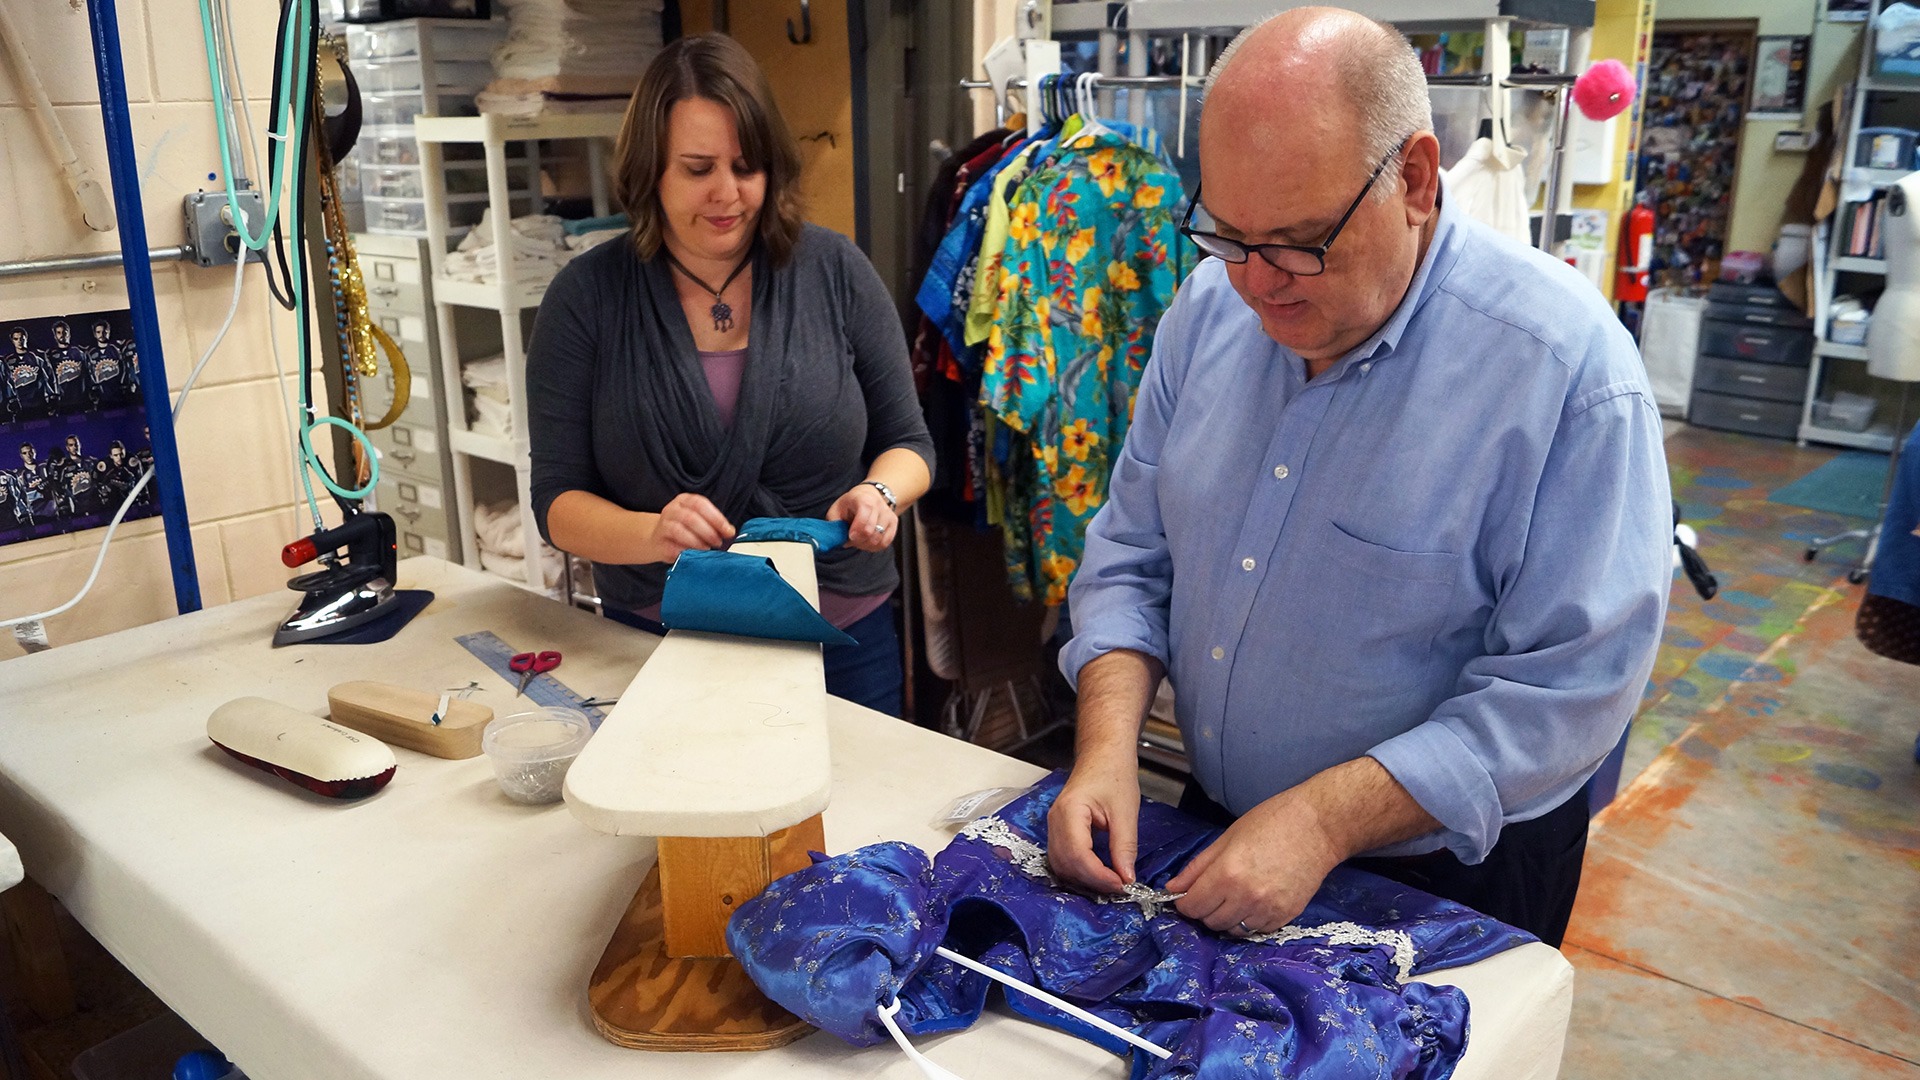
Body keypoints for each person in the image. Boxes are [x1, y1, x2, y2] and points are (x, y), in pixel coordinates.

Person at [1046, 8, 1672, 948]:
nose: (1257, 283)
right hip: (1226, 827)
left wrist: (1326, 819)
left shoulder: (1567, 373)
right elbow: (1132, 552)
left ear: (1415, 180)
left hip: (1449, 876)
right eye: (1228, 234)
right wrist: (1104, 753)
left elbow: (1569, 689)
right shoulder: (1208, 308)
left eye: (1300, 241)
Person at [527, 33, 934, 718]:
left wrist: (879, 494)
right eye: (697, 169)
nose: (727, 194)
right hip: (664, 641)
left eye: (746, 167)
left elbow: (910, 445)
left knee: (861, 819)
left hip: (844, 638)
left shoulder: (834, 271)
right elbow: (557, 501)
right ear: (650, 169)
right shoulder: (587, 298)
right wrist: (652, 532)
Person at [44, 320, 89, 415]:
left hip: (80, 399)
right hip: (61, 401)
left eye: (64, 332)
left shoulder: (79, 352)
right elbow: (47, 377)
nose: (62, 335)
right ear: (55, 335)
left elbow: (88, 374)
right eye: (59, 333)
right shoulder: (49, 355)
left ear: (69, 334)